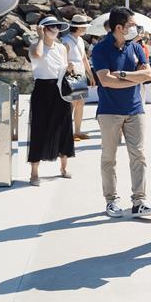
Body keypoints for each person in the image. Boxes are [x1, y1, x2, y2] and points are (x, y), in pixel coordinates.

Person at [91, 7, 151, 219]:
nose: (135, 28)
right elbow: (105, 81)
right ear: (119, 27)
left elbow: (148, 74)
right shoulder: (100, 49)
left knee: (138, 155)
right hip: (109, 112)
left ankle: (139, 201)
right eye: (131, 25)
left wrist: (121, 75)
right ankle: (111, 201)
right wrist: (133, 77)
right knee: (109, 158)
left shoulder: (137, 47)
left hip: (135, 110)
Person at [27, 16, 76, 185]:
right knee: (39, 128)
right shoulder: (35, 46)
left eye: (56, 27)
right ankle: (34, 173)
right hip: (42, 89)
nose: (54, 30)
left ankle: (63, 168)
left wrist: (69, 68)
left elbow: (63, 68)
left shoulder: (62, 48)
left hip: (60, 88)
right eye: (50, 27)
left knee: (64, 127)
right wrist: (40, 37)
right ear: (42, 29)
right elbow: (38, 55)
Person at [62, 14, 95, 141]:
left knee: (80, 103)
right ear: (79, 28)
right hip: (71, 75)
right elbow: (62, 59)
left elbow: (84, 59)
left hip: (80, 74)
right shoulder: (66, 41)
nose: (85, 29)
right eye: (84, 27)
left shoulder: (80, 40)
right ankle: (67, 133)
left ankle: (77, 131)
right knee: (72, 104)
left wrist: (90, 75)